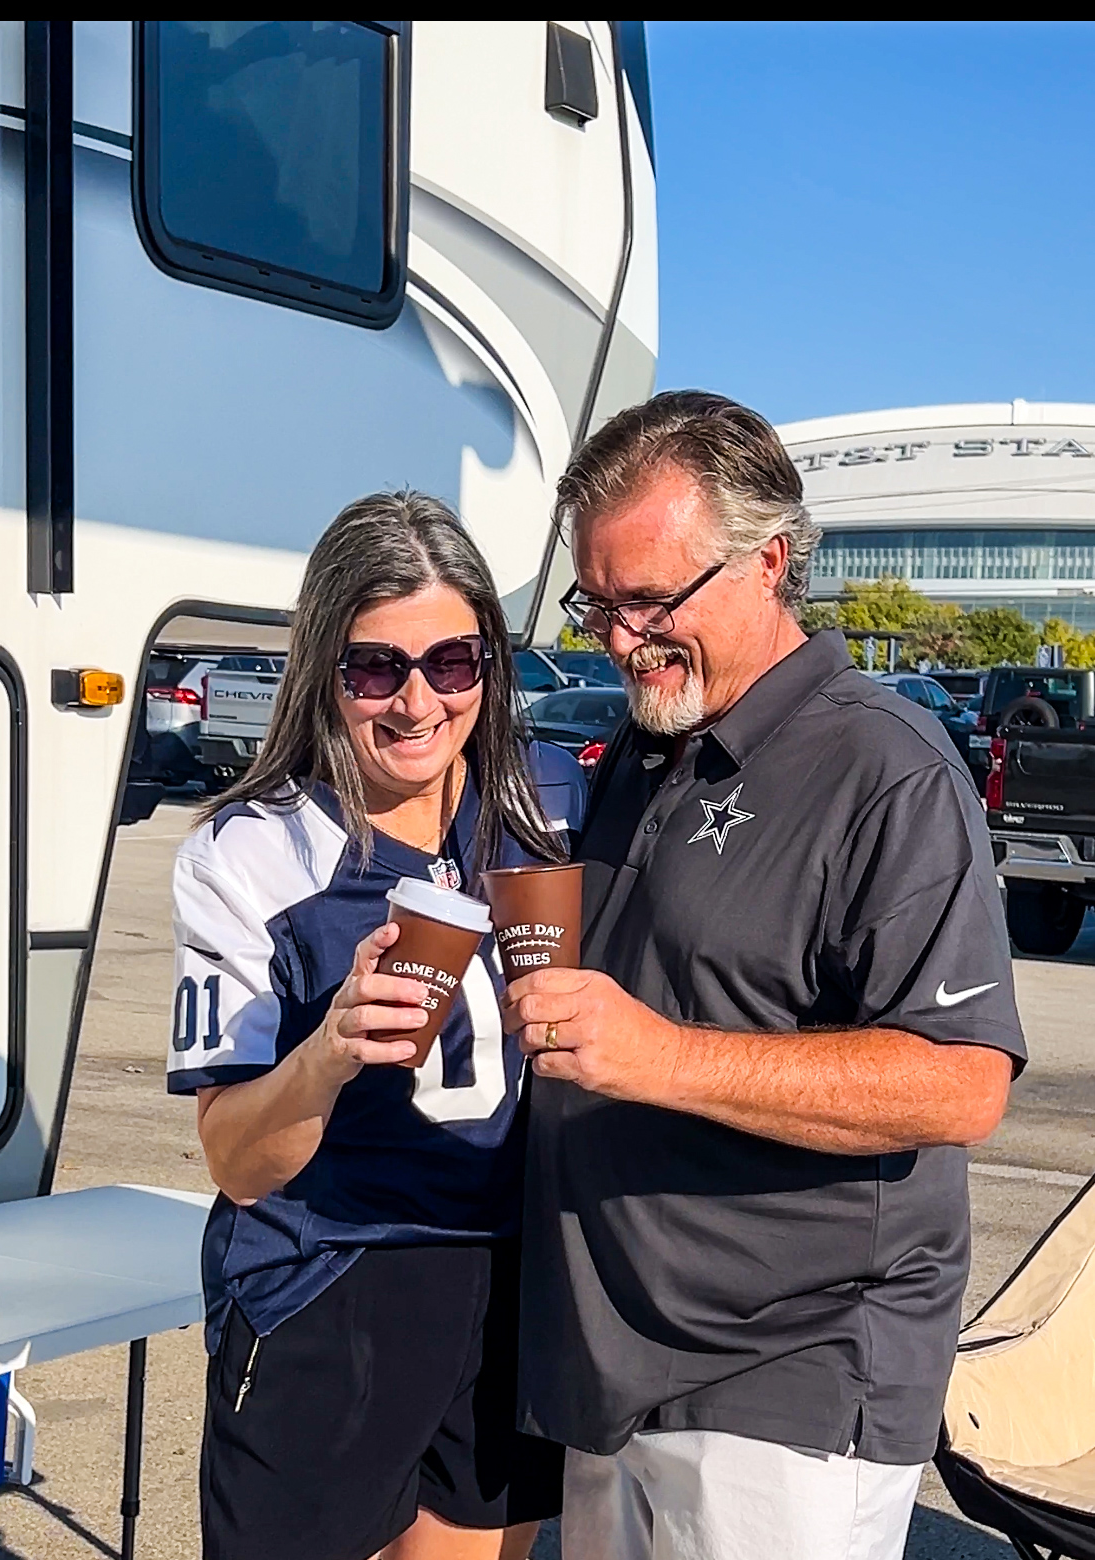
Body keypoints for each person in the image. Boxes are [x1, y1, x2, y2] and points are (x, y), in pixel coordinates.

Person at [504, 392, 1026, 1560]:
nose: (620, 640)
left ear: (771, 561)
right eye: (598, 603)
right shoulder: (650, 742)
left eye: (651, 601)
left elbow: (961, 1084)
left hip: (783, 1386)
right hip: (606, 1366)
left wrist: (659, 1057)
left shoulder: (887, 770)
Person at [167, 491, 580, 1560]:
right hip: (332, 1275)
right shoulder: (251, 852)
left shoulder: (544, 801)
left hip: (511, 1275)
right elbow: (236, 1162)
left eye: (453, 661)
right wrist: (327, 1053)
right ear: (323, 669)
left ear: (490, 664)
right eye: (374, 668)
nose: (417, 701)